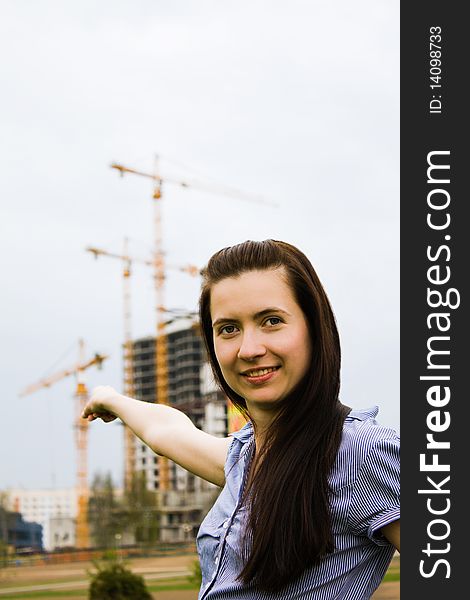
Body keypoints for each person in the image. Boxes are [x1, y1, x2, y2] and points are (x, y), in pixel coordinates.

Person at [82, 239, 400, 599]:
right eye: (228, 329)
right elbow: (165, 431)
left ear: (315, 327)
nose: (249, 349)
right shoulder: (246, 458)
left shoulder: (362, 452)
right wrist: (109, 398)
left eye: (272, 321)